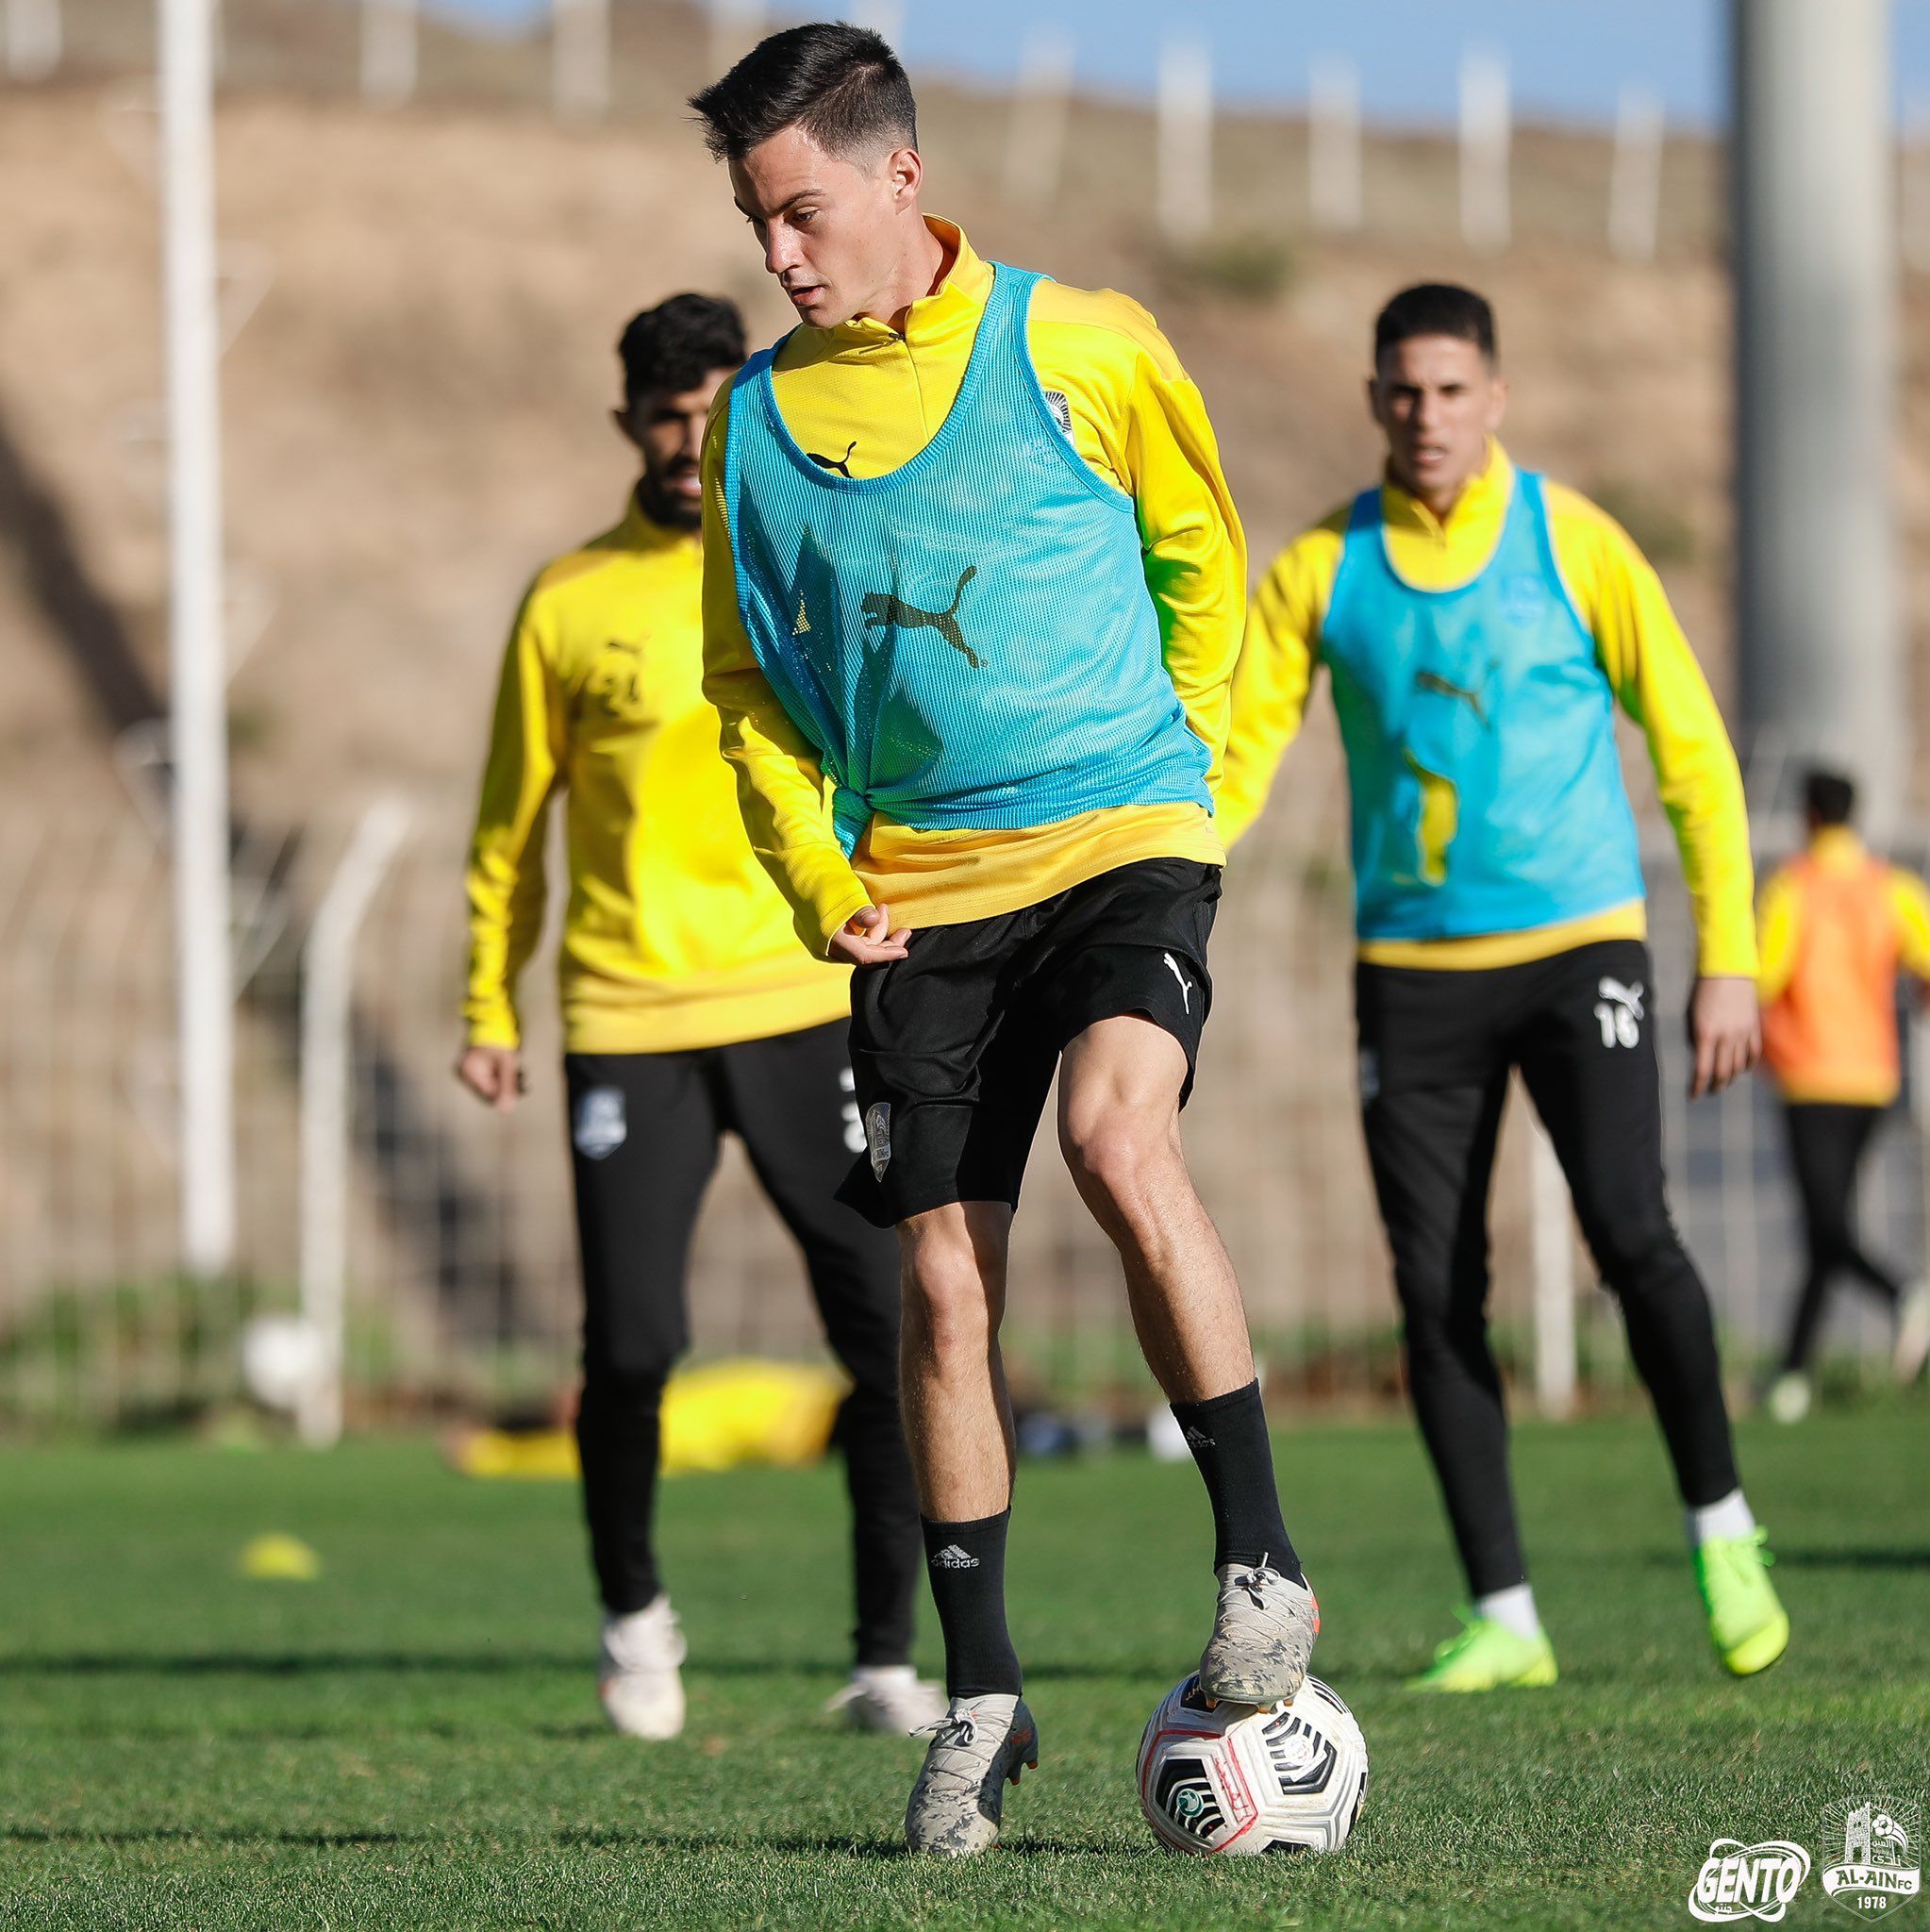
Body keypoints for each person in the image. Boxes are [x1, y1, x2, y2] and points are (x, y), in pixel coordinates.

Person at [689, 23, 1318, 1857]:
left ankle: (1265, 1565)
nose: (781, 255)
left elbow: (1207, 564)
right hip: (918, 904)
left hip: (1123, 838)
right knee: (944, 1293)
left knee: (1129, 1137)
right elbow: (747, 693)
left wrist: (1182, 788)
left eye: (800, 211)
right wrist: (823, 883)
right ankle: (982, 1700)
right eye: (756, 223)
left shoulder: (1084, 343)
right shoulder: (751, 424)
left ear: (899, 173)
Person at [1221, 282, 1788, 1692]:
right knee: (1432, 1292)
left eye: (1452, 390)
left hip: (1581, 944)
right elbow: (1229, 760)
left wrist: (1728, 954)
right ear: (1372, 401)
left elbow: (1693, 753)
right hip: (1409, 976)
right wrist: (1150, 898)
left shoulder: (1572, 543)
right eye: (1403, 392)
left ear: (1496, 398)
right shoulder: (1315, 573)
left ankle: (1721, 1528)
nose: (1427, 416)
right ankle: (1504, 1616)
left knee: (1630, 1230)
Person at [456, 293, 939, 1743]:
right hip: (626, 1017)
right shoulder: (567, 603)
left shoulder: (812, 564)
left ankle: (884, 1658)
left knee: (888, 1326)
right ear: (629, 425)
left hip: (801, 998)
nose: (689, 442)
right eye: (665, 418)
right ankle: (634, 1623)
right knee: (634, 1349)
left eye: (713, 412)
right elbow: (505, 831)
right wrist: (489, 1001)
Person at [1757, 767, 1930, 1423]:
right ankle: (1793, 1378)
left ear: (1807, 816)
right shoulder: (1891, 888)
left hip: (1811, 1079)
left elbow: (1762, 974)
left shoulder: (1792, 890)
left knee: (1827, 1227)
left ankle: (1905, 1295)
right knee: (1825, 1230)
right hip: (1873, 1080)